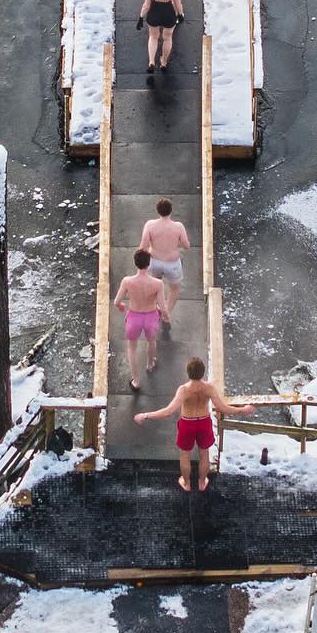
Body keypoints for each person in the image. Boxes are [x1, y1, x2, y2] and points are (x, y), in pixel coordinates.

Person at [134, 355, 254, 492]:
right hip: (204, 423)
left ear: (188, 372)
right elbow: (223, 408)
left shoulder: (184, 390)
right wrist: (243, 410)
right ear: (203, 372)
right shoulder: (209, 388)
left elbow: (168, 411)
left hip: (187, 424)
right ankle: (202, 482)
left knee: (185, 456)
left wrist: (145, 415)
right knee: (204, 454)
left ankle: (186, 483)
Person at [113, 249, 166, 392]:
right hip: (150, 316)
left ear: (135, 263)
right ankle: (149, 364)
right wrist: (164, 314)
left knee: (132, 348)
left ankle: (136, 380)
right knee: (151, 341)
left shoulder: (127, 281)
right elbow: (162, 305)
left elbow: (116, 301)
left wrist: (121, 306)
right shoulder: (157, 284)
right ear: (149, 264)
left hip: (134, 317)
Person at [139, 198, 191, 321]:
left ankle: (155, 307)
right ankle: (166, 313)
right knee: (174, 288)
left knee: (154, 286)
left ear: (158, 211)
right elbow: (186, 246)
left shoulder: (150, 225)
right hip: (172, 263)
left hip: (154, 261)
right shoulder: (178, 227)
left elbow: (143, 246)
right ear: (171, 211)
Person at [138, 0, 184, 77]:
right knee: (167, 38)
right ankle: (163, 62)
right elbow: (178, 5)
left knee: (153, 37)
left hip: (154, 14)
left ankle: (151, 62)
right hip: (168, 15)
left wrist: (141, 17)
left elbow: (146, 5)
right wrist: (180, 14)